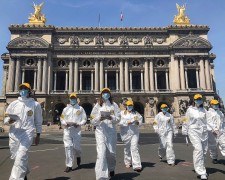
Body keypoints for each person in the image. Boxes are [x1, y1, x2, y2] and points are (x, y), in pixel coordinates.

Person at [4, 83, 43, 180]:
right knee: (16, 156)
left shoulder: (35, 104)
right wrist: (9, 121)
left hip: (27, 133)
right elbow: (5, 119)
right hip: (14, 133)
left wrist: (38, 135)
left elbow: (38, 121)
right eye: (21, 89)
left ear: (29, 91)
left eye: (25, 89)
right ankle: (24, 173)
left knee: (21, 156)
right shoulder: (13, 104)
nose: (23, 90)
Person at [90, 88, 120, 180]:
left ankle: (111, 168)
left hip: (111, 131)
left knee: (111, 153)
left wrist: (111, 117)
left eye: (107, 93)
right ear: (101, 94)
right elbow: (92, 120)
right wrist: (99, 118)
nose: (105, 94)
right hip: (100, 131)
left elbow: (119, 118)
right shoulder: (97, 106)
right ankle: (101, 176)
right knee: (101, 153)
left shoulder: (114, 105)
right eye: (104, 93)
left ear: (110, 94)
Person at [182, 94, 208, 180]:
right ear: (194, 100)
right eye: (197, 99)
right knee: (198, 149)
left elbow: (208, 121)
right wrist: (184, 131)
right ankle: (201, 172)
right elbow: (186, 120)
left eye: (200, 99)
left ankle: (202, 166)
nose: (199, 100)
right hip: (193, 131)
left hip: (203, 132)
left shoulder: (204, 110)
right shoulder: (190, 110)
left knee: (204, 151)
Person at [60, 93, 87, 172]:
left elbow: (84, 119)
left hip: (76, 130)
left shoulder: (80, 109)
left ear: (76, 99)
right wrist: (65, 123)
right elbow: (62, 118)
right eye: (71, 98)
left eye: (74, 98)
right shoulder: (65, 109)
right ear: (69, 99)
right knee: (68, 147)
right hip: (67, 130)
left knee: (76, 147)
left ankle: (78, 156)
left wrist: (79, 124)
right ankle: (69, 165)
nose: (72, 99)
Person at [119, 100, 142, 172]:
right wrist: (127, 122)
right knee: (127, 148)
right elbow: (119, 122)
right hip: (125, 133)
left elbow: (140, 120)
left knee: (134, 148)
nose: (130, 107)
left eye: (131, 105)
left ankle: (137, 165)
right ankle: (128, 162)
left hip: (134, 132)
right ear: (126, 106)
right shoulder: (122, 113)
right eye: (129, 106)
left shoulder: (136, 113)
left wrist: (138, 123)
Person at [206, 99, 225, 164]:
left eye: (217, 104)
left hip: (221, 131)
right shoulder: (209, 113)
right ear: (211, 105)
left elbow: (223, 122)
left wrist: (223, 130)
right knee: (213, 146)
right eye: (214, 104)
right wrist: (214, 129)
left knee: (223, 144)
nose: (216, 105)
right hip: (212, 132)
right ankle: (214, 157)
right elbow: (209, 122)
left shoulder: (220, 112)